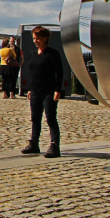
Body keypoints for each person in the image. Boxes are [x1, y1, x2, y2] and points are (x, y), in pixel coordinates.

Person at [22, 26, 64, 158]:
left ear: (45, 38)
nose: (35, 41)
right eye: (34, 38)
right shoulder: (33, 53)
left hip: (49, 91)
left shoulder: (53, 54)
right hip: (35, 90)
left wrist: (58, 89)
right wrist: (30, 88)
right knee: (35, 118)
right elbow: (32, 72)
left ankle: (54, 144)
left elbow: (60, 72)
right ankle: (34, 143)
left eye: (37, 38)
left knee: (50, 117)